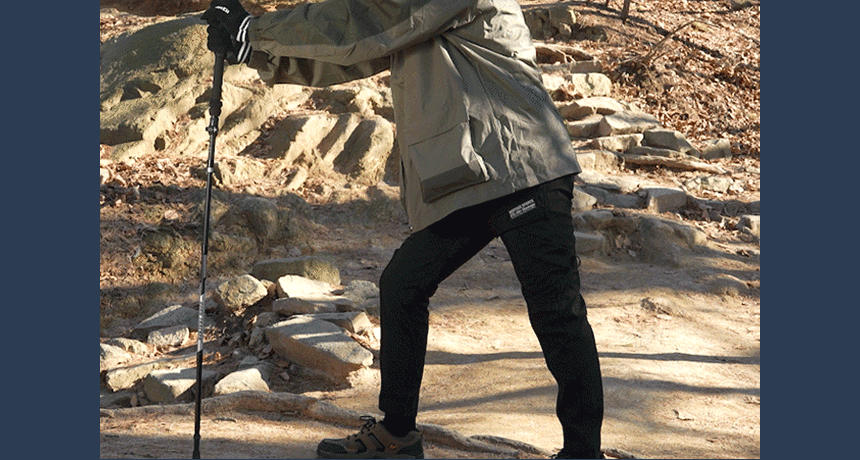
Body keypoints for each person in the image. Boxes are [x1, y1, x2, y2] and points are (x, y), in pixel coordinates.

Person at [201, 0, 604, 458]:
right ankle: (397, 435)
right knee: (402, 285)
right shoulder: (415, 17)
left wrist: (257, 29)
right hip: (475, 177)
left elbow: (362, 21)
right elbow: (355, 51)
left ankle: (583, 452)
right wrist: (254, 51)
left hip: (523, 165)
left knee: (556, 312)